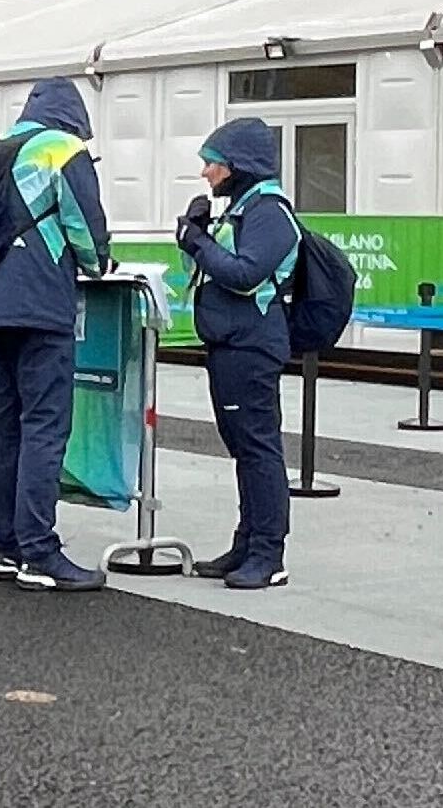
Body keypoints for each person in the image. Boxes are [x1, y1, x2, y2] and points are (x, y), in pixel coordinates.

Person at [0, 79, 110, 592]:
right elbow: (85, 227)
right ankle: (40, 552)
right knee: (45, 424)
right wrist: (97, 261)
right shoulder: (62, 150)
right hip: (39, 303)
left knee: (4, 424)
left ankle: (4, 546)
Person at [174, 118, 301, 591]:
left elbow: (245, 274)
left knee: (258, 448)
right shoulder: (243, 209)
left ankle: (269, 554)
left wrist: (199, 241)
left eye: (212, 163)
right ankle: (247, 543)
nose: (206, 173)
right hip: (232, 345)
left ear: (238, 164)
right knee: (244, 449)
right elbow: (210, 269)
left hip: (251, 347)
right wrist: (198, 236)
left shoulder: (268, 211)